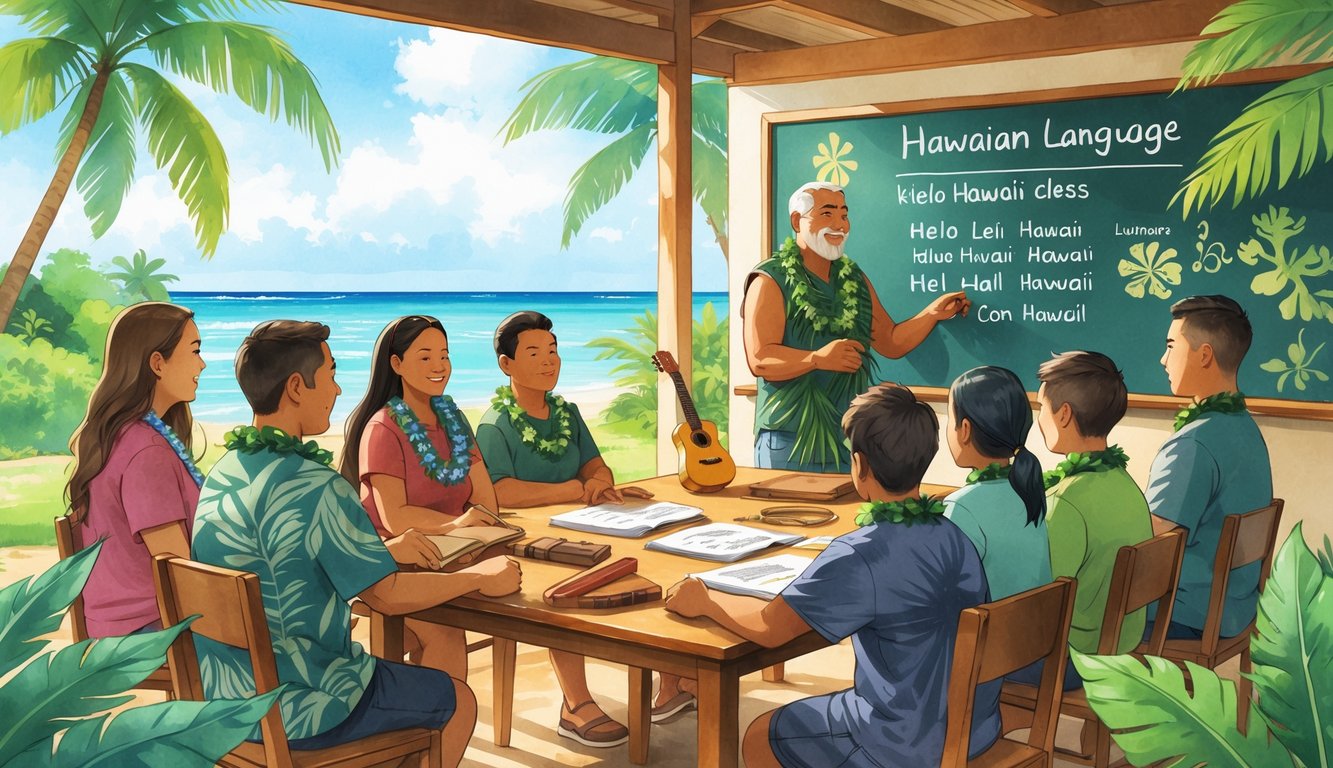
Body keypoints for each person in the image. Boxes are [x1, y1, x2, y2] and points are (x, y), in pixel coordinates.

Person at [192, 320, 521, 762]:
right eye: (330, 375)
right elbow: (387, 595)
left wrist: (381, 552)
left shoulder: (223, 473)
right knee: (457, 700)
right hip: (306, 702)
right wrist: (479, 577)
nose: (338, 390)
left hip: (224, 701)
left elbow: (286, 559)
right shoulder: (317, 485)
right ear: (296, 387)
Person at [666, 384, 1000, 767]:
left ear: (859, 464)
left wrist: (706, 599)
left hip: (901, 742)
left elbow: (770, 628)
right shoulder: (954, 536)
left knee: (761, 735)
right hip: (975, 727)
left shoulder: (861, 552)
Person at [475, 310, 652, 747]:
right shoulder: (495, 424)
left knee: (650, 557)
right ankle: (575, 705)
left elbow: (597, 466)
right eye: (534, 352)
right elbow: (501, 492)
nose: (548, 361)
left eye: (552, 351)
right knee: (565, 581)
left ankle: (671, 682)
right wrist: (575, 489)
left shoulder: (567, 412)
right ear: (506, 364)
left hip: (584, 527)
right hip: (527, 541)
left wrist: (598, 482)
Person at [743, 181, 970, 473]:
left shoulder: (853, 279)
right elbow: (760, 358)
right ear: (797, 221)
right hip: (789, 438)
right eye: (827, 214)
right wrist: (816, 359)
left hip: (850, 436)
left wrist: (932, 314)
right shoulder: (769, 280)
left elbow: (890, 341)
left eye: (844, 214)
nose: (840, 224)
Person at [340, 314, 502, 679]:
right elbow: (395, 518)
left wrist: (469, 534)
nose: (439, 366)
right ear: (396, 364)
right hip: (396, 562)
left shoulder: (454, 421)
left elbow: (486, 504)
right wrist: (457, 525)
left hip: (454, 552)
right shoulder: (382, 428)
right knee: (446, 632)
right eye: (425, 357)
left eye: (444, 355)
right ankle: (443, 716)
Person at [65, 302, 206, 637]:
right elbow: (178, 572)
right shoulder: (146, 452)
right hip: (149, 636)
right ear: (157, 363)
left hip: (124, 628)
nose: (201, 364)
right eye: (195, 351)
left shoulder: (126, 436)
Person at [1145, 295, 1273, 640]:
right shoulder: (1245, 428)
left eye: (1171, 347)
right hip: (1238, 603)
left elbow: (1150, 535)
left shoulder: (1193, 442)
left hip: (1187, 611)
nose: (1163, 359)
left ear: (1204, 355)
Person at [1036, 351, 1153, 688]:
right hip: (1122, 642)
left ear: (1063, 414)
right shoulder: (1124, 483)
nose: (1039, 419)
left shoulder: (1065, 500)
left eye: (1041, 408)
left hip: (1075, 657)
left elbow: (1043, 599)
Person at [943, 365, 1052, 603]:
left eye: (950, 418)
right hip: (1033, 622)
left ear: (965, 429)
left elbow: (946, 593)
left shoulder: (961, 507)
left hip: (984, 626)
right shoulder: (1028, 489)